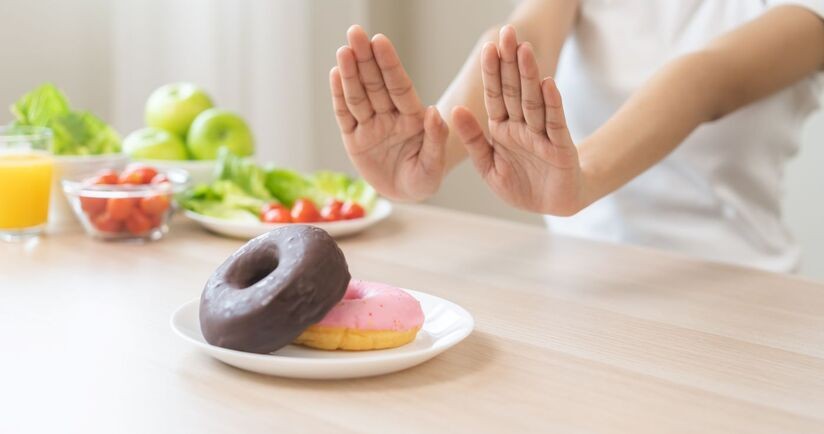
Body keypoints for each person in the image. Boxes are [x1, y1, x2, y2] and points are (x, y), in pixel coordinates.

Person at [329, 0, 824, 272]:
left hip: (739, 292)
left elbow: (707, 79)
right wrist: (432, 152)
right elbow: (526, 40)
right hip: (572, 283)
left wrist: (584, 176)